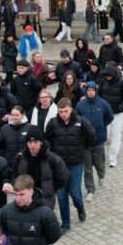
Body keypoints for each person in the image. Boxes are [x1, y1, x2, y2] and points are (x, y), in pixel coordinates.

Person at [6, 126, 69, 245]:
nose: (32, 145)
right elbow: (13, 174)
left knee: (45, 238)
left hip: (44, 203)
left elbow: (63, 177)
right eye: (29, 142)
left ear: (41, 142)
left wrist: (49, 191)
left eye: (35, 141)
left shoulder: (52, 158)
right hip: (23, 200)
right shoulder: (21, 157)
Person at [45, 98, 96, 230]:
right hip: (59, 166)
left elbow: (92, 135)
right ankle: (65, 223)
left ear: (71, 109)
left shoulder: (81, 121)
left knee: (75, 193)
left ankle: (80, 208)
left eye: (65, 111)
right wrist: (51, 154)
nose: (63, 114)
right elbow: (47, 140)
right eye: (61, 111)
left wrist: (83, 148)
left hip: (76, 164)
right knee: (61, 196)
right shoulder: (53, 123)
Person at [75, 82, 113, 199]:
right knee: (87, 168)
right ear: (86, 91)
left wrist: (102, 125)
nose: (90, 92)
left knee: (99, 165)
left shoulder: (103, 103)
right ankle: (90, 190)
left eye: (92, 90)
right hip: (85, 142)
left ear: (95, 91)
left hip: (99, 140)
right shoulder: (80, 104)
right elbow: (76, 119)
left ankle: (101, 175)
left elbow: (110, 116)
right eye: (88, 90)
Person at [98, 63, 123, 165]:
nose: (107, 78)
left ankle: (113, 158)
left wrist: (120, 108)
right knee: (107, 136)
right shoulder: (103, 82)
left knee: (116, 135)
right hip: (106, 114)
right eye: (106, 76)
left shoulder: (122, 83)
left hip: (117, 114)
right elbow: (99, 95)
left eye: (109, 76)